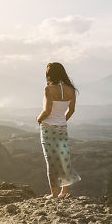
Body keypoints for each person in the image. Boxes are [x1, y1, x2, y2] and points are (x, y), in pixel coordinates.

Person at [36, 62, 81, 199]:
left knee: (51, 160)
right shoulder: (71, 90)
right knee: (63, 157)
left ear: (50, 74)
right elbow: (72, 110)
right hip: (62, 128)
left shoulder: (49, 89)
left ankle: (54, 194)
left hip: (48, 128)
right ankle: (64, 192)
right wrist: (62, 120)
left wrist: (39, 119)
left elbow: (47, 110)